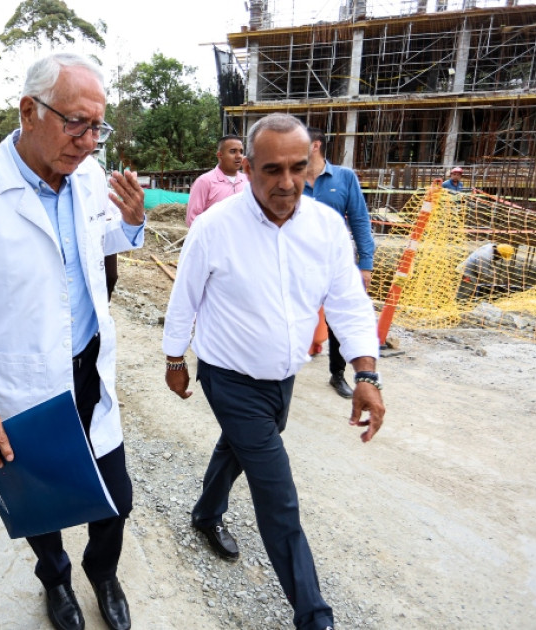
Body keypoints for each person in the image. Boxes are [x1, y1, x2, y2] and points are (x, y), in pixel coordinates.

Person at [0, 53, 145, 630]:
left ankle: (102, 572)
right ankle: (56, 580)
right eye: (75, 123)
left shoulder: (88, 179)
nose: (89, 141)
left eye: (97, 127)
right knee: (42, 504)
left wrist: (132, 224)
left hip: (89, 368)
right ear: (28, 111)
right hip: (21, 383)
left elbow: (94, 244)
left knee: (116, 497)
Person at [163, 113, 385, 630]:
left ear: (311, 162)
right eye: (271, 170)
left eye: (297, 167)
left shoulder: (326, 228)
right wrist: (175, 360)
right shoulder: (215, 227)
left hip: (282, 378)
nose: (286, 183)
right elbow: (184, 298)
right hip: (228, 376)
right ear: (248, 167)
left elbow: (349, 304)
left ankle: (204, 511)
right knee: (277, 492)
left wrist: (367, 375)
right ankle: (313, 614)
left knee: (239, 446)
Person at [304, 127, 375, 399]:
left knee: (339, 319)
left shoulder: (344, 178)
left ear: (315, 146)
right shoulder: (291, 179)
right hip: (297, 263)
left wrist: (365, 264)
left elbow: (359, 221)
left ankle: (337, 373)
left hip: (335, 264)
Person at [185, 135, 249, 227]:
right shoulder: (205, 181)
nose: (239, 156)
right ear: (219, 155)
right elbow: (192, 219)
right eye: (233, 151)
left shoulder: (248, 182)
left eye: (241, 152)